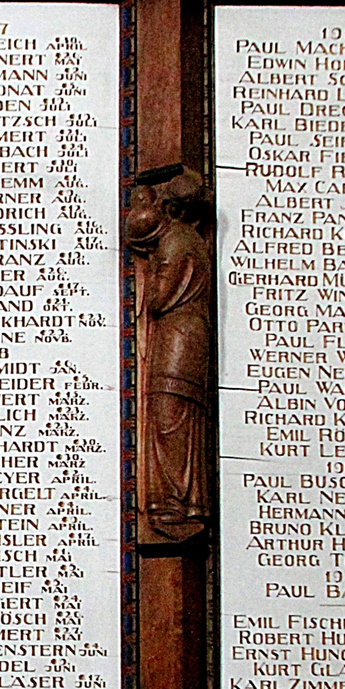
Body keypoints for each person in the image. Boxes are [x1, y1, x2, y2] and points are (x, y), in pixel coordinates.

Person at [127, 166, 211, 534]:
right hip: (191, 331)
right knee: (181, 416)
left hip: (177, 333)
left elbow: (160, 298)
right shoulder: (191, 239)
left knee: (168, 415)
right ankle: (189, 502)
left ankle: (172, 501)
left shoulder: (175, 243)